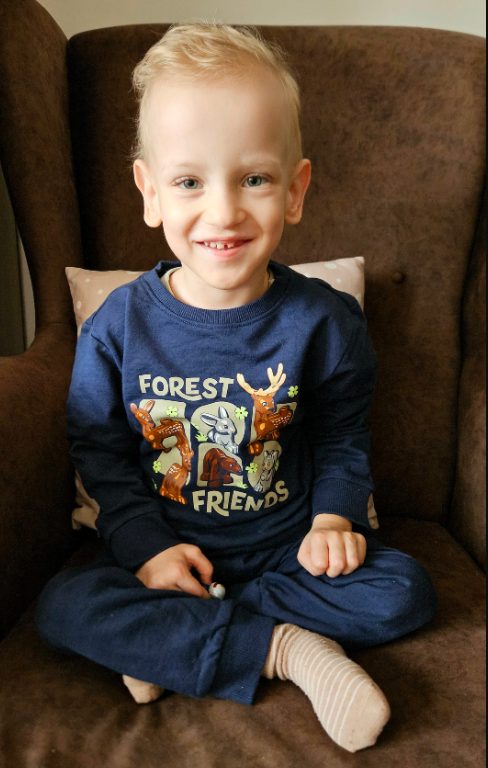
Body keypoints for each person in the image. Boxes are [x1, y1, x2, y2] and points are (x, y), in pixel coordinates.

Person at [36, 23, 436, 753]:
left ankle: (176, 643)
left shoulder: (324, 322)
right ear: (151, 193)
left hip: (287, 554)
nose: (223, 212)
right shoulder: (118, 326)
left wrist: (333, 522)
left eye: (254, 178)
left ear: (296, 190)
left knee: (403, 592)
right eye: (189, 182)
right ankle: (288, 650)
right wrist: (148, 550)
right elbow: (100, 452)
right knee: (63, 606)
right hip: (166, 554)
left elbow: (342, 438)